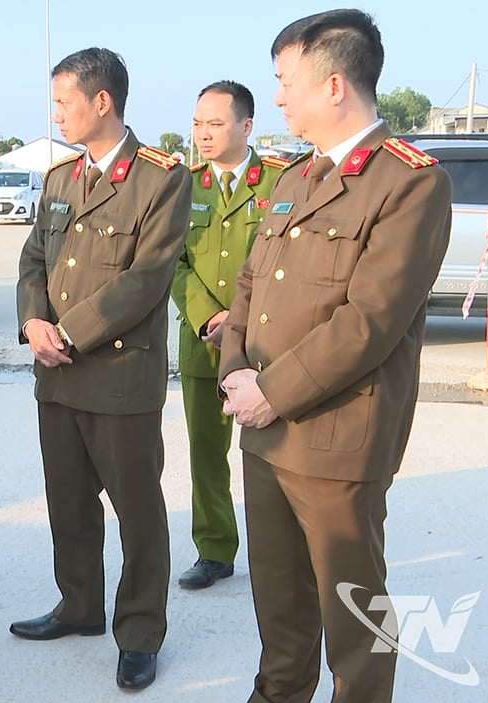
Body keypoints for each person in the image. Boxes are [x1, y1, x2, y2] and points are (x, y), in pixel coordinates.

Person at [219, 10, 451, 703]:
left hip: (337, 440)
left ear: (335, 85)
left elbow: (370, 321)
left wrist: (271, 390)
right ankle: (279, 693)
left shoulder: (409, 182)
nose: (280, 98)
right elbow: (251, 283)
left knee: (356, 617)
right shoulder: (294, 178)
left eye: (287, 82)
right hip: (264, 432)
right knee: (280, 602)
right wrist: (235, 367)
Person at [11, 48, 191, 692]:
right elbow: (33, 259)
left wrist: (69, 332)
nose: (56, 112)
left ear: (102, 102)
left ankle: (139, 631)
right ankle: (79, 606)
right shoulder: (61, 177)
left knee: (137, 512)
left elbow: (145, 280)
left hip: (118, 376)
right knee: (68, 504)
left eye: (63, 101)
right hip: (55, 374)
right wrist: (34, 323)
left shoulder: (162, 178)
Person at [170, 81, 288, 591]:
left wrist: (237, 321)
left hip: (264, 346)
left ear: (246, 125)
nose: (203, 134)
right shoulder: (183, 186)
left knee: (273, 455)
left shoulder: (282, 183)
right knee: (205, 453)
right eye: (197, 123)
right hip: (203, 342)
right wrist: (207, 318)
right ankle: (214, 550)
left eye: (215, 123)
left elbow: (287, 265)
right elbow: (172, 262)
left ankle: (282, 555)